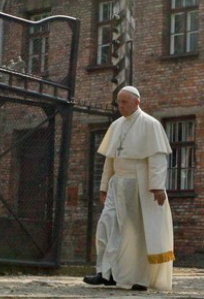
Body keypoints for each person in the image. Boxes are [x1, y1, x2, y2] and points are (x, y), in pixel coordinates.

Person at [83, 86, 175, 291]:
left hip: (138, 184)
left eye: (124, 102)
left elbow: (157, 159)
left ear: (137, 102)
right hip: (116, 184)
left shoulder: (150, 124)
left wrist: (157, 187)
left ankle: (138, 279)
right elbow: (110, 159)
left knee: (134, 233)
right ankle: (105, 272)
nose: (121, 106)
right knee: (106, 224)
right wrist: (104, 186)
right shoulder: (116, 125)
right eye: (119, 102)